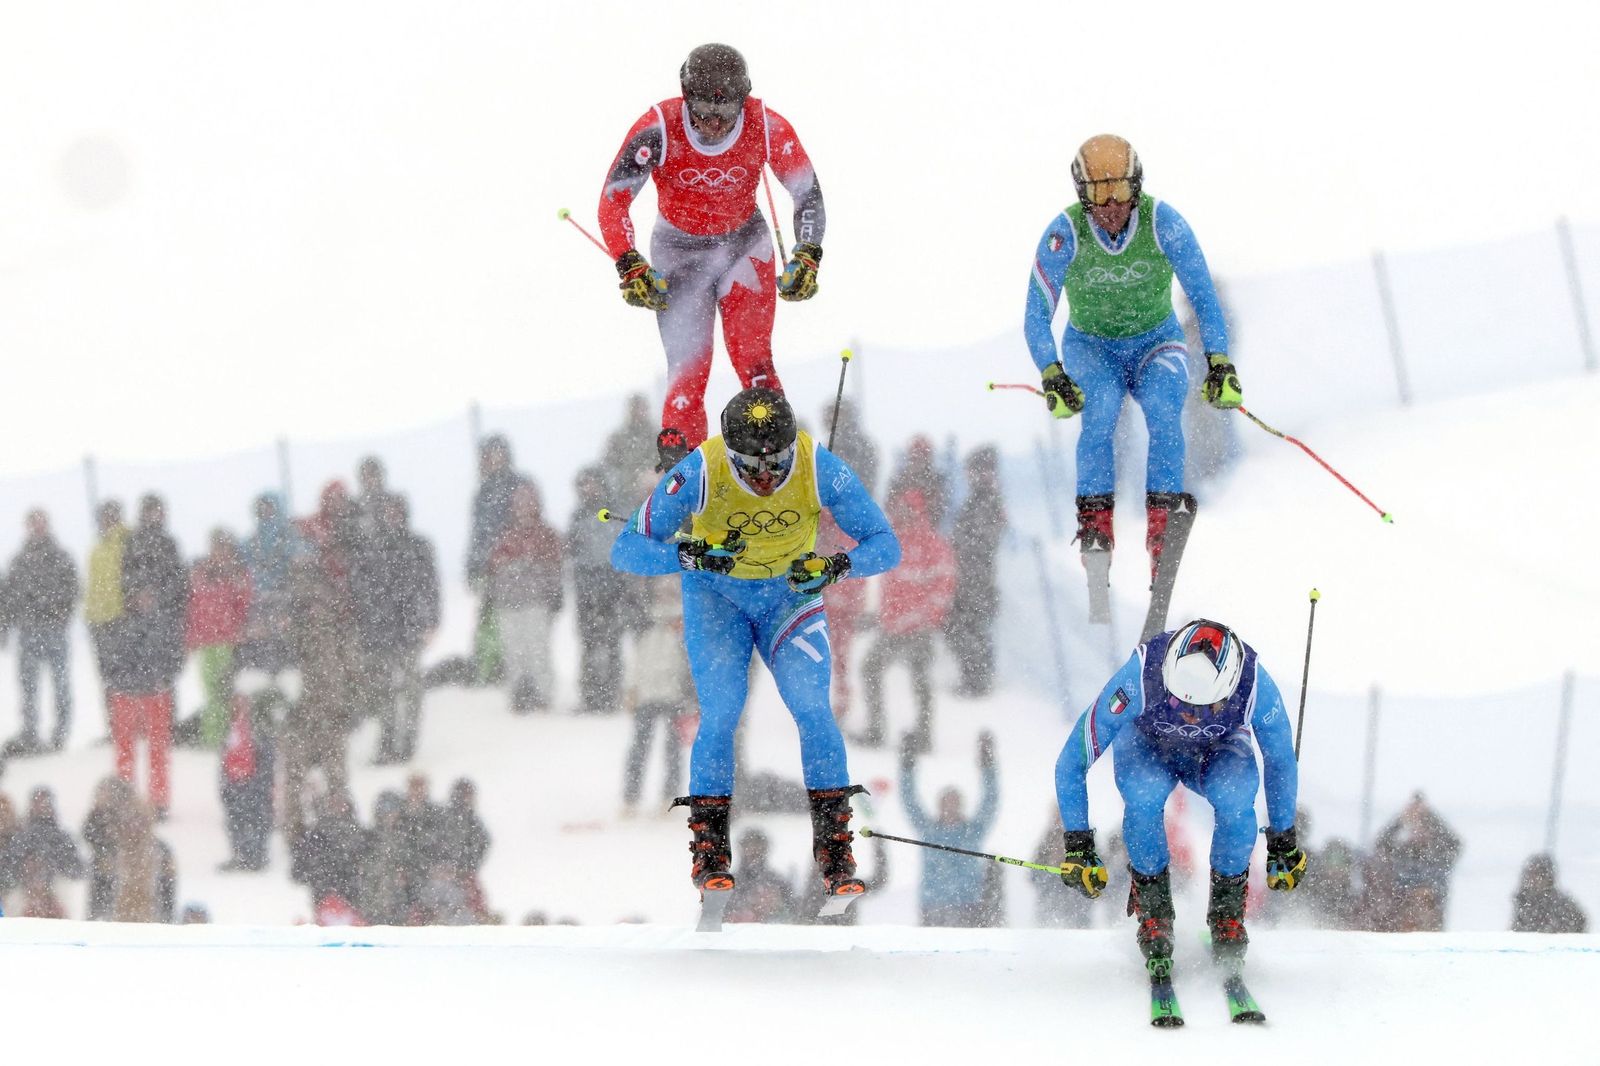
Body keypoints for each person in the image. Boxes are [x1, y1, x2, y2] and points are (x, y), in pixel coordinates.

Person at [610, 387, 899, 902]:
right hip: (717, 602)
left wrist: (835, 567)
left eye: (777, 463)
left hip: (788, 600)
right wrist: (691, 556)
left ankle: (835, 846)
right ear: (729, 450)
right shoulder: (701, 469)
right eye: (749, 467)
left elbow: (885, 545)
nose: (765, 479)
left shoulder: (818, 465)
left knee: (813, 708)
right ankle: (710, 848)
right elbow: (627, 548)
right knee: (722, 712)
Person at [1023, 135, 1235, 616]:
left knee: (1164, 409)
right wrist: (1052, 372)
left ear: (1137, 187)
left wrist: (1219, 360)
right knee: (1099, 411)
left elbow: (1203, 296)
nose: (1112, 206)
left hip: (1155, 341)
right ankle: (1096, 528)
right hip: (1091, 347)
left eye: (1120, 191)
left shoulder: (1164, 223)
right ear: (1082, 194)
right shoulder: (1065, 233)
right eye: (1099, 194)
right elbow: (1036, 314)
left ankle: (1161, 533)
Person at [598, 43, 829, 471]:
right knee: (688, 373)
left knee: (755, 362)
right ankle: (684, 476)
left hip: (745, 246)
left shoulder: (766, 125)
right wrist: (629, 264)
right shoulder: (659, 127)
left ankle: (777, 467)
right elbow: (613, 202)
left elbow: (806, 193)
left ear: (744, 99)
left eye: (724, 114)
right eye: (701, 110)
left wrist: (808, 255)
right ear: (684, 96)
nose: (711, 124)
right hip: (679, 256)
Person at [1053, 619, 1306, 979]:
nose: (1189, 715)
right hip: (1147, 747)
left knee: (1236, 797)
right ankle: (1154, 911)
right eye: (1174, 700)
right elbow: (1072, 760)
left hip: (1216, 752)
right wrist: (1078, 844)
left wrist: (1284, 840)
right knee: (1143, 796)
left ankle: (1227, 916)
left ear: (1229, 688)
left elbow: (1280, 760)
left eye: (1205, 708)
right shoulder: (1139, 675)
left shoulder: (1255, 686)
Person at [854, 490, 956, 749]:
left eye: (908, 510)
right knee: (871, 669)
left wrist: (926, 617)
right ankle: (876, 729)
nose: (903, 515)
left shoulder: (932, 544)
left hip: (918, 628)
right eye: (900, 510)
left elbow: (944, 585)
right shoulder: (893, 541)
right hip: (892, 627)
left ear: (918, 511)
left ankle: (923, 736)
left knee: (920, 681)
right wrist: (882, 616)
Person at [350, 497, 440, 763]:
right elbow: (359, 590)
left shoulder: (418, 546)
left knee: (412, 688)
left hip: (408, 629)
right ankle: (388, 740)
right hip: (379, 632)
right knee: (384, 691)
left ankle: (408, 741)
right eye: (387, 512)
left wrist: (432, 619)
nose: (392, 517)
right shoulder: (369, 549)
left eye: (396, 512)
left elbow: (431, 586)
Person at [900, 731, 1001, 927]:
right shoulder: (928, 831)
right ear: (939, 805)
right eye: (946, 802)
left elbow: (991, 800)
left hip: (968, 905)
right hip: (932, 906)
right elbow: (908, 799)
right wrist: (907, 764)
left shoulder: (973, 831)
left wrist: (988, 764)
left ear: (961, 805)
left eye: (954, 802)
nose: (950, 807)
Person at [2, 509, 81, 754]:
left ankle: (59, 735)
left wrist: (62, 611)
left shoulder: (60, 556)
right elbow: (6, 599)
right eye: (32, 524)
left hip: (54, 631)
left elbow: (74, 587)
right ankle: (30, 734)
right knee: (28, 687)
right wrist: (4, 629)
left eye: (40, 523)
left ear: (47, 525)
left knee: (60, 685)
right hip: (28, 632)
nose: (37, 528)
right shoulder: (19, 561)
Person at [486, 482, 564, 714]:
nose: (524, 507)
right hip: (509, 601)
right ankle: (518, 694)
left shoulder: (547, 533)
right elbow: (493, 566)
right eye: (519, 502)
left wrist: (551, 592)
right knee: (513, 650)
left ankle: (543, 695)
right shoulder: (505, 534)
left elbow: (555, 568)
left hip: (537, 601)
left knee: (538, 649)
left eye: (528, 501)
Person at [619, 579, 692, 816]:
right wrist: (632, 689)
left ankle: (668, 796)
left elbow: (689, 667)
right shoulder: (643, 623)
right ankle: (631, 797)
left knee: (672, 748)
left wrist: (690, 696)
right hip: (647, 694)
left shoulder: (687, 624)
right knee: (640, 746)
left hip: (675, 695)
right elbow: (637, 659)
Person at [466, 435, 531, 685]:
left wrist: (512, 553)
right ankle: (488, 667)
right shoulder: (483, 492)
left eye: (496, 454)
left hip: (514, 566)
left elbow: (527, 523)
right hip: (488, 566)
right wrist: (473, 565)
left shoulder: (518, 485)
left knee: (515, 619)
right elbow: (477, 533)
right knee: (489, 617)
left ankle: (512, 670)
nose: (492, 460)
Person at [183, 530, 253, 748]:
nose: (219, 551)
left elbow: (243, 604)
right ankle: (212, 737)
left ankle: (226, 738)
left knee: (223, 691)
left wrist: (238, 628)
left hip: (226, 639)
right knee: (210, 690)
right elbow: (191, 605)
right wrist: (189, 636)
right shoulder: (201, 571)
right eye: (216, 546)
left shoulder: (236, 573)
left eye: (223, 547)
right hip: (205, 640)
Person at [946, 446, 1006, 697]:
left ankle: (977, 682)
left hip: (977, 577)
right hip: (969, 576)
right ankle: (975, 678)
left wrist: (960, 544)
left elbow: (984, 539)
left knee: (971, 629)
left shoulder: (988, 501)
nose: (972, 475)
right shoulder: (977, 500)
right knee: (965, 628)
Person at [568, 466, 626, 714]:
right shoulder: (577, 517)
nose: (588, 490)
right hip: (586, 590)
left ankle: (611, 693)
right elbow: (572, 552)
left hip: (611, 588)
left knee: (612, 642)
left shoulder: (613, 513)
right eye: (584, 485)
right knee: (589, 643)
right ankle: (591, 695)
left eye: (592, 484)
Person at [1510, 853, 1587, 934]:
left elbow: (1578, 923)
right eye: (1530, 873)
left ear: (1548, 878)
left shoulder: (1561, 905)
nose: (1533, 878)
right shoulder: (1523, 903)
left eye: (1537, 874)